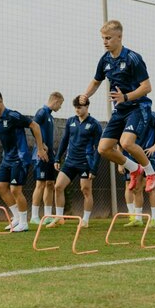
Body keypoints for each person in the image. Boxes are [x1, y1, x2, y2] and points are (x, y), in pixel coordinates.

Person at [79, 20, 155, 194]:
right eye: (103, 38)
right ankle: (134, 169)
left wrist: (125, 97)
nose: (105, 41)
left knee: (126, 143)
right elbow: (96, 81)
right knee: (103, 148)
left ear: (119, 37)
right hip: (120, 110)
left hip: (138, 107)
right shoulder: (105, 60)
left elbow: (147, 87)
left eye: (108, 38)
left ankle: (151, 173)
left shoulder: (133, 58)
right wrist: (86, 95)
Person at [0, 89, 47, 232]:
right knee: (0, 187)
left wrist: (40, 148)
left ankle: (24, 223)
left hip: (20, 158)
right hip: (6, 158)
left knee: (15, 190)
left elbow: (35, 126)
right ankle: (17, 218)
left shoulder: (13, 116)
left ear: (0, 101)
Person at [48, 96, 102, 228]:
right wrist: (57, 158)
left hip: (85, 163)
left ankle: (85, 220)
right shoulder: (71, 121)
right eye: (75, 108)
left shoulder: (94, 124)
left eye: (79, 107)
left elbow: (98, 149)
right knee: (58, 187)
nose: (77, 110)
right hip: (70, 162)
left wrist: (94, 168)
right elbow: (64, 140)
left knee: (86, 190)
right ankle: (59, 218)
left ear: (87, 107)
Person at [119, 110, 155, 228]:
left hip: (148, 155)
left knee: (150, 188)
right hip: (132, 156)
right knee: (136, 188)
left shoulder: (150, 114)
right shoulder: (127, 115)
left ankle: (154, 219)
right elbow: (119, 139)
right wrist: (120, 162)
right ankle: (138, 218)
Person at [29, 92, 64, 225]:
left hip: (50, 156)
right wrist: (41, 145)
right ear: (55, 101)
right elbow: (32, 127)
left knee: (50, 184)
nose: (60, 107)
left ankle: (48, 215)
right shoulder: (42, 112)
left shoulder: (50, 116)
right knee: (40, 184)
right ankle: (34, 216)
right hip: (41, 155)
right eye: (60, 104)